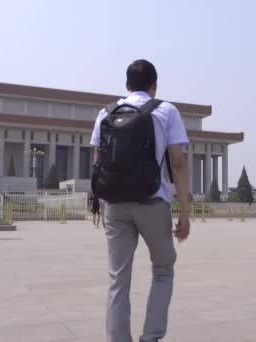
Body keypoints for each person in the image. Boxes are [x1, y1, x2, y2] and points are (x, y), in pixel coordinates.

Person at [90, 59, 190, 342]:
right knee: (162, 269)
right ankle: (151, 337)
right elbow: (178, 163)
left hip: (116, 205)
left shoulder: (106, 113)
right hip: (152, 202)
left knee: (118, 280)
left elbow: (98, 162)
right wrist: (184, 212)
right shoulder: (166, 111)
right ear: (154, 85)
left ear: (126, 86)